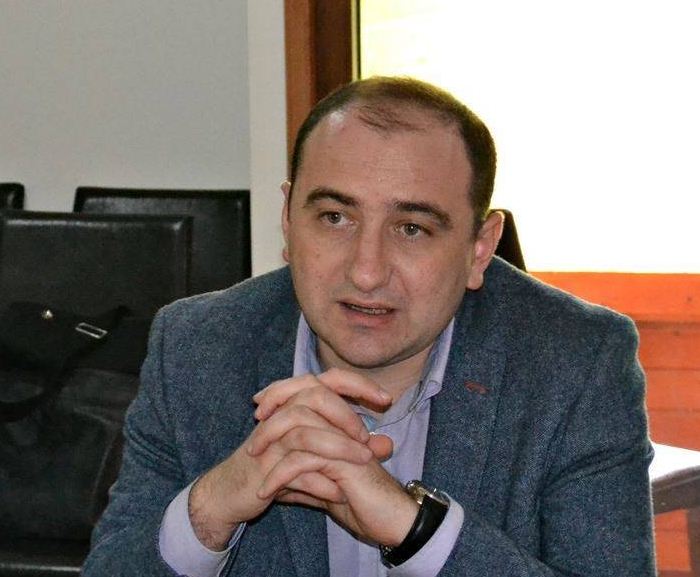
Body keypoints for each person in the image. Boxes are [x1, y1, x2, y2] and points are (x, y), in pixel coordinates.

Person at [83, 77, 656, 576]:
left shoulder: (577, 363)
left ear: (480, 248)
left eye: (412, 228)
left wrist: (418, 531)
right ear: (288, 220)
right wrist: (213, 505)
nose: (365, 272)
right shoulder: (197, 345)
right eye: (335, 217)